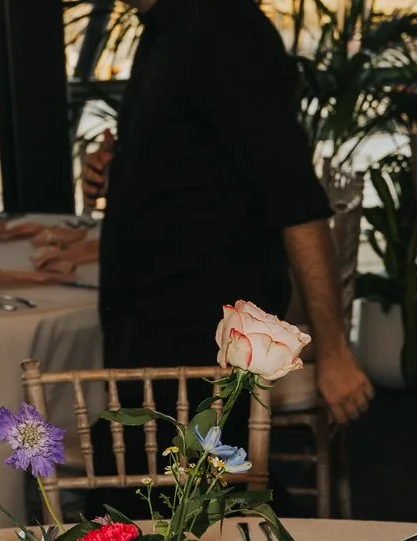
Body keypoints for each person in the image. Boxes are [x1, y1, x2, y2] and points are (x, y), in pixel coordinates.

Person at [90, 0, 372, 425]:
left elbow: (296, 201)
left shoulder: (225, 30)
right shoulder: (163, 30)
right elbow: (193, 166)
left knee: (208, 467)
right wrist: (121, 171)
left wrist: (333, 351)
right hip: (152, 335)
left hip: (204, 347)